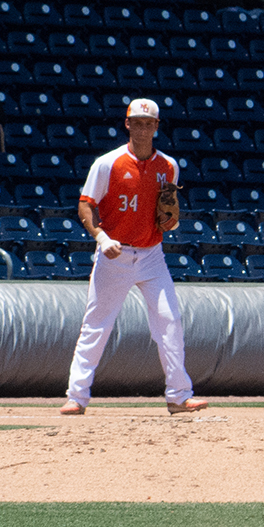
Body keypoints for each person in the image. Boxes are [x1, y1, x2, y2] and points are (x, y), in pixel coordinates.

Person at [59, 98, 209, 417]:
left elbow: (167, 211)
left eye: (148, 123)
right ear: (127, 124)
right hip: (115, 254)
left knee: (170, 321)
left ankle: (179, 395)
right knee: (97, 325)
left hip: (152, 254)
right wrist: (101, 237)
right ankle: (76, 396)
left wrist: (170, 220)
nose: (142, 128)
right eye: (137, 122)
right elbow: (86, 204)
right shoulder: (108, 163)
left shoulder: (169, 166)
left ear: (156, 126)